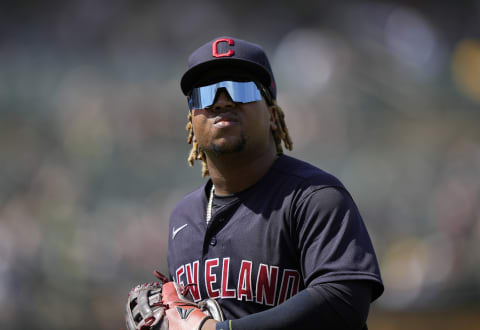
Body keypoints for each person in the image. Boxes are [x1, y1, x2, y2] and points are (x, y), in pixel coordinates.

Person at [167, 36, 384, 330]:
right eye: (204, 94)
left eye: (240, 89)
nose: (222, 101)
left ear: (272, 115)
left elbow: (342, 300)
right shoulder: (183, 217)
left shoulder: (314, 196)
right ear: (192, 120)